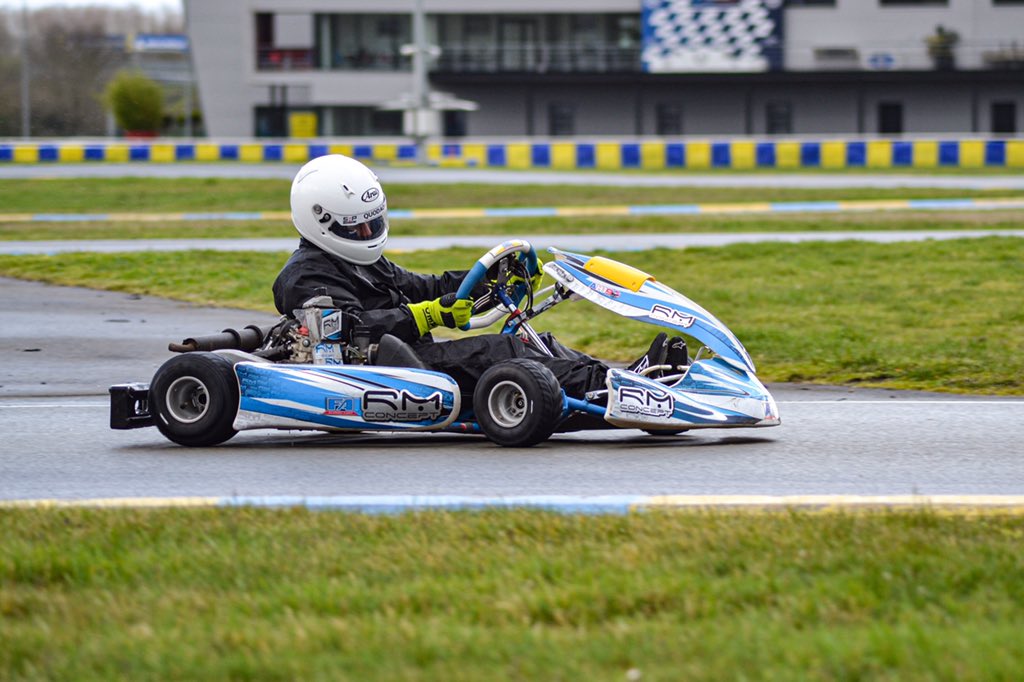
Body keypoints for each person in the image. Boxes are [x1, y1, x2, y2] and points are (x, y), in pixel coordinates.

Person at [273, 154, 683, 400]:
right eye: (357, 228)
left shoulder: (361, 262)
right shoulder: (304, 276)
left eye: (371, 224)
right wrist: (426, 316)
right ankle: (617, 390)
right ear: (320, 220)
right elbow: (345, 330)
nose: (367, 234)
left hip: (410, 361)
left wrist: (490, 278)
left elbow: (424, 287)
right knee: (500, 350)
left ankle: (625, 380)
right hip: (379, 374)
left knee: (532, 341)